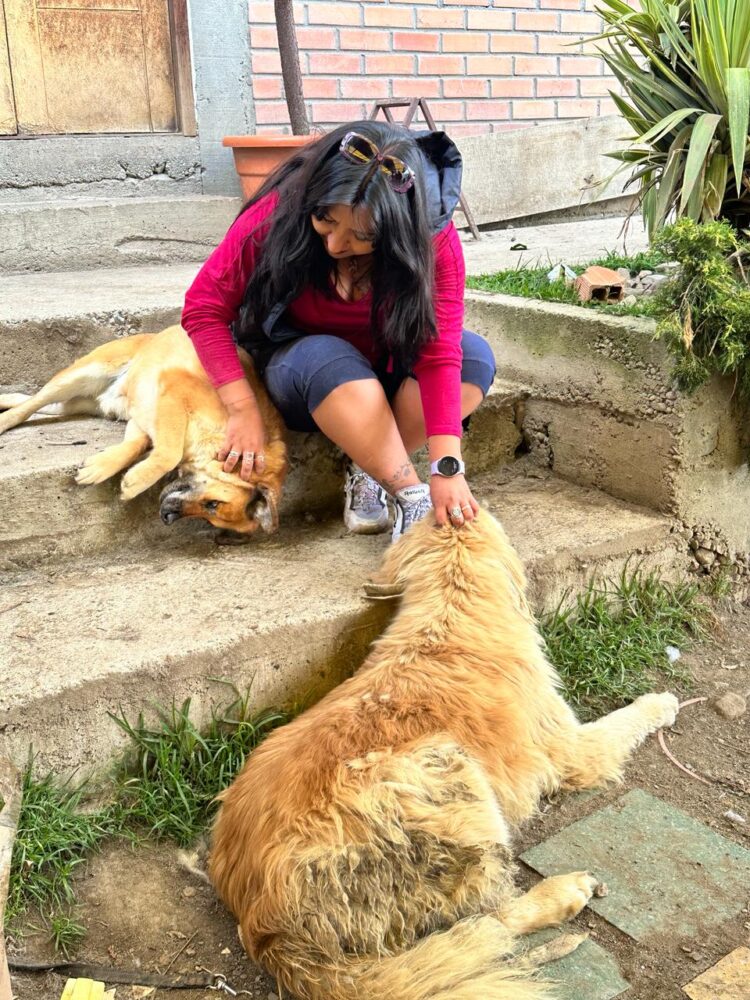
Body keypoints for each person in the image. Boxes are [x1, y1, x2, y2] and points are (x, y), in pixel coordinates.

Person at [182, 120, 496, 540]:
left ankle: (369, 467)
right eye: (325, 220)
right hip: (305, 373)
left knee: (472, 357)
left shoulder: (433, 240)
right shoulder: (278, 212)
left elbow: (438, 352)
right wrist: (242, 408)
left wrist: (447, 466)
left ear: (398, 230)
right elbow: (203, 308)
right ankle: (406, 493)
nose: (334, 245)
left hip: (387, 366)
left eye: (361, 235)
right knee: (329, 356)